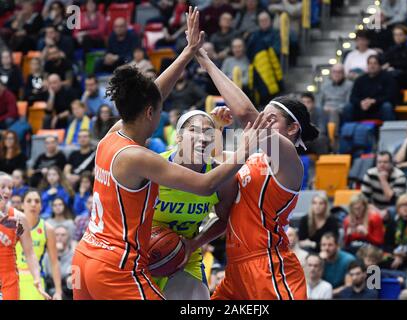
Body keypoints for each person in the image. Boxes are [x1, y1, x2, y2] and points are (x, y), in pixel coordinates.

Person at [71, 7, 270, 300]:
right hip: (116, 264)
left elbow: (153, 94)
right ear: (151, 114)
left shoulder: (111, 137)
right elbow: (205, 184)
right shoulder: (140, 157)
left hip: (86, 256)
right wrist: (245, 147)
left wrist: (188, 52)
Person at [195, 41, 319, 300]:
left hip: (269, 266)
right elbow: (214, 160)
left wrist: (204, 60)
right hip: (236, 269)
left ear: (292, 128)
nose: (262, 121)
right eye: (263, 115)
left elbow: (246, 114)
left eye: (270, 118)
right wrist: (217, 127)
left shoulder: (288, 161)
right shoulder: (254, 158)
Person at [149, 109, 240, 300]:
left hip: (184, 255)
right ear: (179, 137)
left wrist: (194, 244)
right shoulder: (152, 167)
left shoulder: (222, 177)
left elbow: (223, 220)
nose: (203, 137)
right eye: (193, 130)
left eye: (208, 132)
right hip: (142, 253)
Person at [0, 172, 50, 300]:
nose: (7, 191)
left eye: (10, 188)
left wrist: (37, 279)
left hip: (9, 279)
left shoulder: (19, 219)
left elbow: (30, 253)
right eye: (3, 187)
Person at [16, 189, 62, 300]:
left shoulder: (47, 229)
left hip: (36, 281)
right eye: (29, 201)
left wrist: (58, 291)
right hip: (14, 278)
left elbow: (54, 261)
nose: (33, 204)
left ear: (41, 205)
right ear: (22, 205)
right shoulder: (13, 225)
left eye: (37, 201)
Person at [343, 55, 397, 123]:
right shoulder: (360, 79)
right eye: (370, 63)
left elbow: (390, 96)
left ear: (380, 65)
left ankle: (388, 131)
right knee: (348, 107)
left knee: (387, 106)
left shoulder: (388, 78)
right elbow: (353, 97)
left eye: (375, 63)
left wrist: (374, 101)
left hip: (378, 108)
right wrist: (361, 102)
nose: (372, 66)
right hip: (362, 109)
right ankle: (348, 131)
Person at [361, 151, 407, 219]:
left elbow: (395, 201)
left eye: (385, 162)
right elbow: (365, 199)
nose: (382, 165)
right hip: (374, 208)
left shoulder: (400, 176)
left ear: (391, 163)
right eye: (379, 162)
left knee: (393, 211)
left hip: (393, 209)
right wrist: (377, 212)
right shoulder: (370, 174)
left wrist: (383, 181)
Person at [381, 24, 407, 89]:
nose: (397, 37)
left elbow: (406, 63)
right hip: (392, 74)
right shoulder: (391, 49)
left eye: (400, 34)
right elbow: (384, 60)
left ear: (406, 36)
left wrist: (390, 64)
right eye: (395, 35)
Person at [43, 225, 75, 300]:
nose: (60, 237)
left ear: (68, 238)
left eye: (63, 235)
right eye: (56, 235)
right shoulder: (45, 256)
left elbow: (76, 284)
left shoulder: (74, 256)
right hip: (49, 293)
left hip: (67, 294)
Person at [317, 63, 353, 131]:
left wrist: (334, 108)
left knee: (333, 113)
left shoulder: (349, 85)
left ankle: (333, 138)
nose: (336, 74)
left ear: (343, 74)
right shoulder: (325, 85)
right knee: (314, 110)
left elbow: (348, 102)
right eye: (334, 72)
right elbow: (319, 101)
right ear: (331, 73)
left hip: (339, 110)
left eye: (339, 72)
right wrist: (322, 108)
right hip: (325, 109)